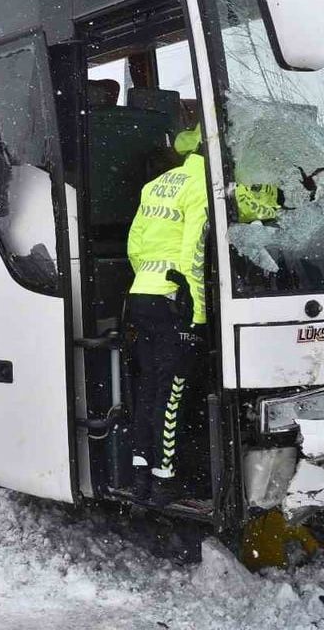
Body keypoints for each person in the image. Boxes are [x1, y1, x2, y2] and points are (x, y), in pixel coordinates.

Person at [126, 125, 210, 507]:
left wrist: (149, 278)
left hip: (142, 294)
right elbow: (194, 252)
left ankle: (140, 469)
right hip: (175, 299)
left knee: (149, 387)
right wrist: (197, 313)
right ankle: (165, 479)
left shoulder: (157, 185)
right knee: (173, 392)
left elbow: (135, 246)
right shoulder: (201, 186)